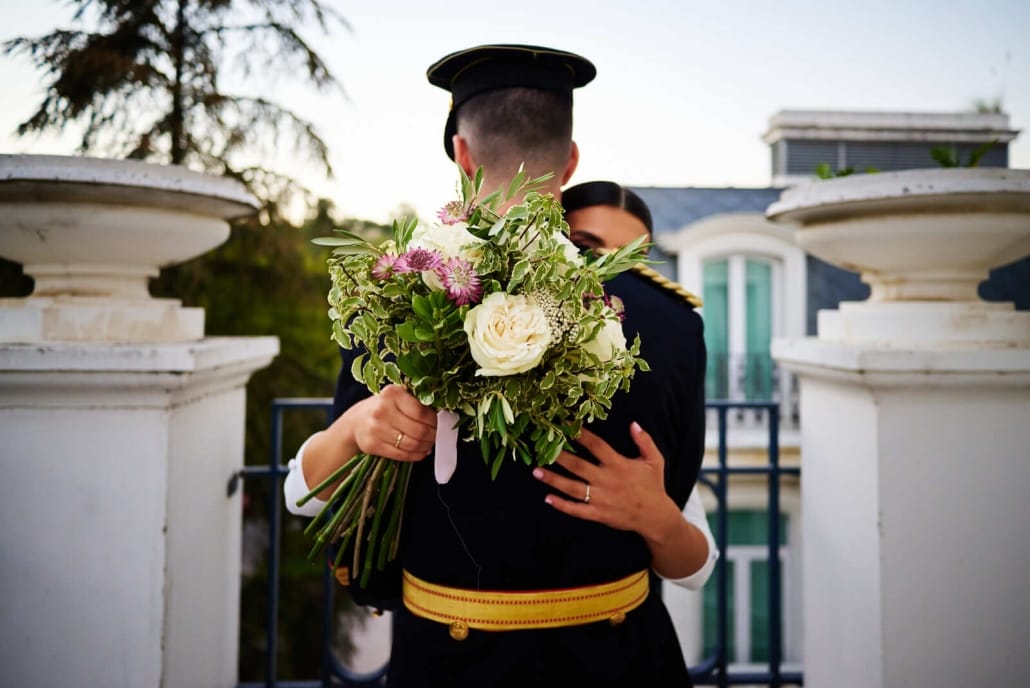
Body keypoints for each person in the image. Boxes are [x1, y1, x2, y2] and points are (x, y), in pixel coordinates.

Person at [285, 45, 707, 687]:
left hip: (447, 667)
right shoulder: (674, 324)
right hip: (619, 665)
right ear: (570, 161)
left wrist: (358, 426)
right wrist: (653, 514)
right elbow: (693, 566)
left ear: (461, 154)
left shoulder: (396, 298)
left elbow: (304, 498)